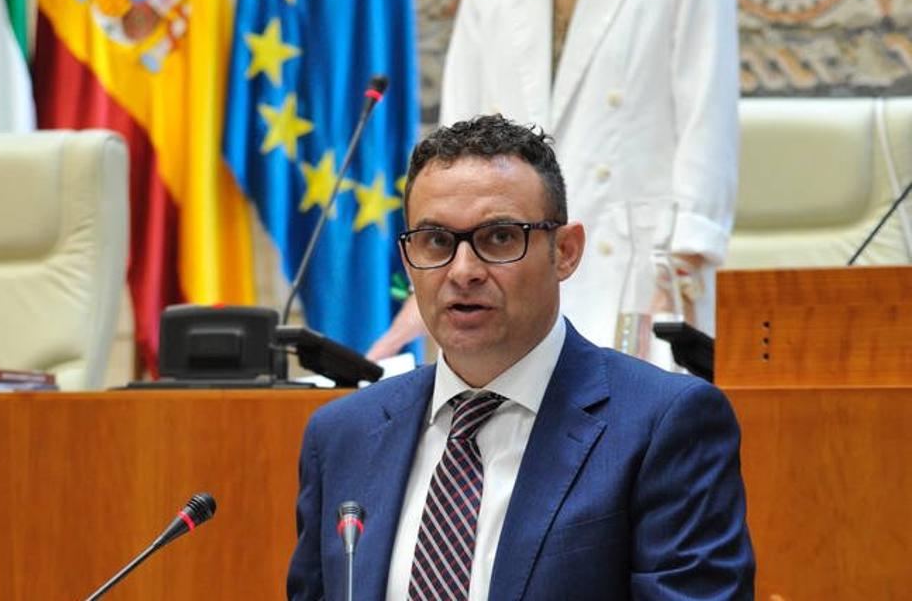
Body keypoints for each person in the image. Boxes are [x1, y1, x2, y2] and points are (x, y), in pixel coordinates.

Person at [288, 115, 754, 600]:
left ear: (566, 251)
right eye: (436, 241)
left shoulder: (664, 424)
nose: (463, 271)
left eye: (499, 238)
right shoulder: (342, 436)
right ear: (409, 261)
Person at [368, 0, 738, 365]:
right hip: (507, 276)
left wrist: (677, 286)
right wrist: (427, 287)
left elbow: (707, 144)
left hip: (638, 286)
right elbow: (456, 147)